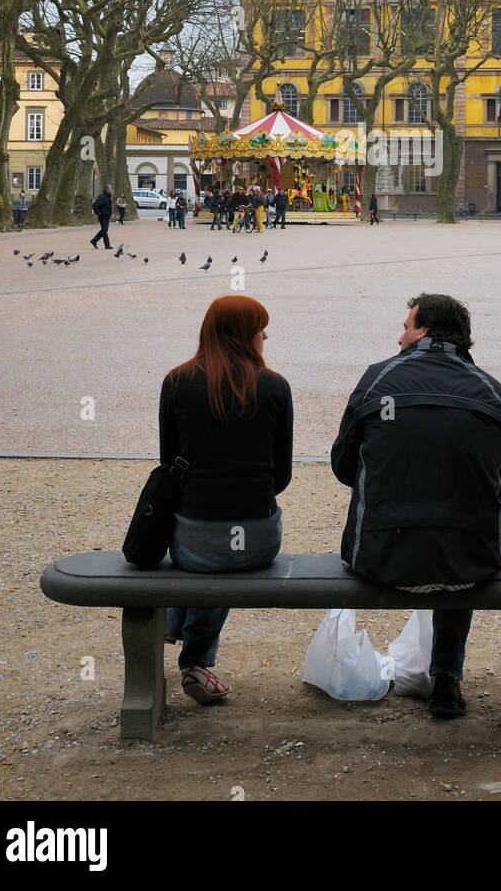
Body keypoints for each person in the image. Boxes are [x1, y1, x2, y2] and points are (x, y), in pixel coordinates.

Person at [331, 293, 501, 719]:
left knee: (442, 528)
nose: (399, 335)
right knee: (461, 536)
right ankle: (445, 678)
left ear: (421, 330)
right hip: (468, 563)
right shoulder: (491, 391)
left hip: (380, 557)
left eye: (405, 326)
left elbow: (343, 468)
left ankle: (442, 675)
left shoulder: (377, 379)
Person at [161, 295, 293, 703]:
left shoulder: (177, 381)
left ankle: (181, 635)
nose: (266, 334)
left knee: (206, 554)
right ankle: (195, 662)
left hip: (194, 541)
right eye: (260, 326)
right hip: (257, 541)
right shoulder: (275, 386)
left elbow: (170, 468)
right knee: (221, 555)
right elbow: (281, 477)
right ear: (243, 334)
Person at [90, 184, 113, 249]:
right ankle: (107, 245)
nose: (111, 190)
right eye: (110, 189)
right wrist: (99, 213)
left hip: (106, 216)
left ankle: (94, 240)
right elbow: (95, 205)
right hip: (102, 216)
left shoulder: (108, 196)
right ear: (107, 190)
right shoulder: (102, 196)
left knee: (104, 230)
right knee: (104, 231)